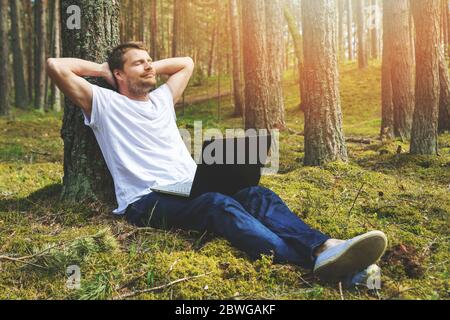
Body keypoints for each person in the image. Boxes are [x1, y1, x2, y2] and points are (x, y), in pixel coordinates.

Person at [46, 42, 388, 281]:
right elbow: (56, 66)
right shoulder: (102, 103)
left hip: (189, 184)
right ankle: (317, 262)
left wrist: (144, 64)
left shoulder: (162, 100)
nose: (150, 66)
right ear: (119, 75)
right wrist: (106, 70)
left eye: (150, 60)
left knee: (256, 195)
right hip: (145, 199)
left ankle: (327, 246)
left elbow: (186, 63)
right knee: (216, 205)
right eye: (139, 63)